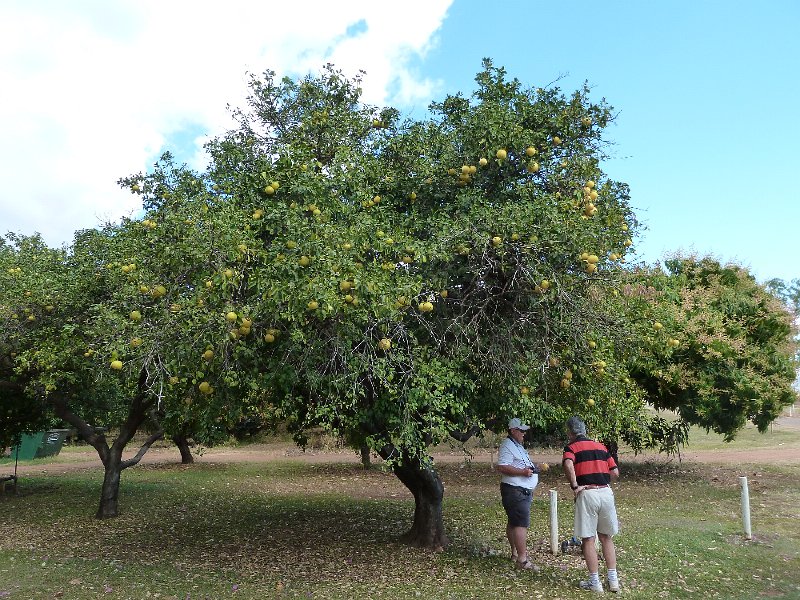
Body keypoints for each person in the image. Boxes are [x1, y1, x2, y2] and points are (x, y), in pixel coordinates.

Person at [562, 415, 621, 593]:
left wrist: (574, 486)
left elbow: (568, 464)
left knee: (588, 538)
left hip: (587, 492)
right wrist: (603, 481)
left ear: (570, 432)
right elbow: (615, 472)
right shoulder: (601, 446)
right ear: (585, 430)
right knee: (606, 537)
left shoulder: (571, 447)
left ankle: (595, 583)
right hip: (606, 492)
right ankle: (613, 581)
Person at [496, 417, 540, 571]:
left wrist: (533, 468)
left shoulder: (518, 445)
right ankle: (522, 559)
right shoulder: (507, 445)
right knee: (520, 524)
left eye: (524, 431)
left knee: (514, 521)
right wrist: (523, 472)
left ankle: (515, 553)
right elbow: (502, 466)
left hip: (521, 489)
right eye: (521, 430)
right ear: (513, 430)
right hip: (515, 490)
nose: (524, 433)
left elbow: (520, 463)